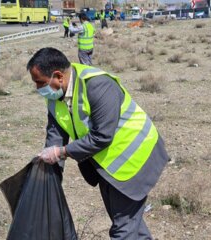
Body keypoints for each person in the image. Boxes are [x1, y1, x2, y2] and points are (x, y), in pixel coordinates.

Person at [27, 47, 169, 239]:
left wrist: (61, 152)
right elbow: (55, 136)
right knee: (128, 221)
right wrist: (50, 175)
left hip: (135, 159)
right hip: (107, 164)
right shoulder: (54, 98)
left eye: (40, 82)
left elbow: (102, 136)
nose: (38, 88)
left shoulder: (97, 85)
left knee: (123, 228)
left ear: (58, 76)